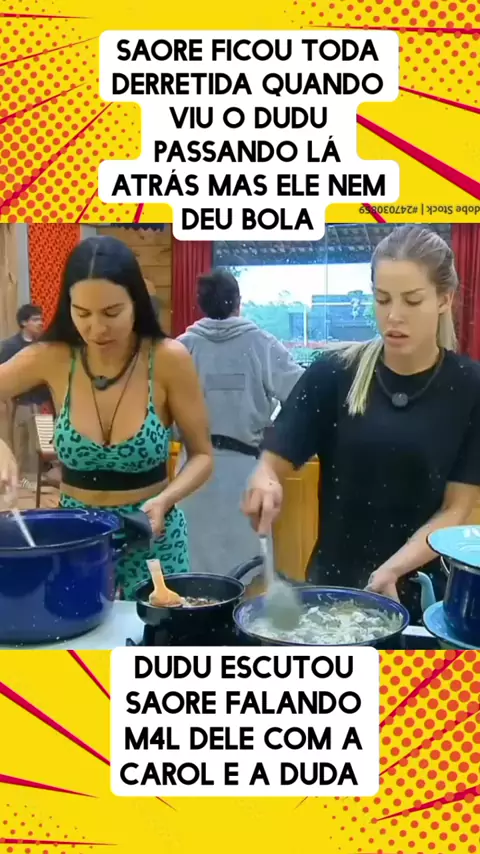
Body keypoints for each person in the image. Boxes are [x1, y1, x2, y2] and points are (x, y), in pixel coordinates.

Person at [242, 225, 480, 625]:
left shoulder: (470, 387)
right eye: (382, 299)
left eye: (412, 300)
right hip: (333, 592)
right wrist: (264, 477)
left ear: (444, 299)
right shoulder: (335, 374)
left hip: (425, 595)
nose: (394, 315)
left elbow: (457, 509)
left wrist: (393, 569)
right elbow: (275, 458)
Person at [0, 236, 213, 599]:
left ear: (136, 303)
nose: (96, 329)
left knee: (157, 631)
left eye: (112, 313)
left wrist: (165, 499)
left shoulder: (167, 359)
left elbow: (203, 456)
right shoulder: (52, 356)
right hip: (77, 541)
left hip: (153, 539)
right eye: (82, 313)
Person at [177, 268, 304, 575]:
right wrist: (278, 435)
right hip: (247, 473)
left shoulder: (182, 348)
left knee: (194, 575)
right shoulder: (261, 344)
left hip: (192, 473)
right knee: (247, 574)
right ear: (238, 302)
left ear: (200, 304)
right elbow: (303, 395)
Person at [0, 304, 52, 483]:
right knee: (21, 446)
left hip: (43, 403)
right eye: (35, 319)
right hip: (20, 403)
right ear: (23, 323)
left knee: (45, 446)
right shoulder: (10, 347)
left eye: (41, 319)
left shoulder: (45, 345)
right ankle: (22, 482)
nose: (40, 323)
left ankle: (40, 481)